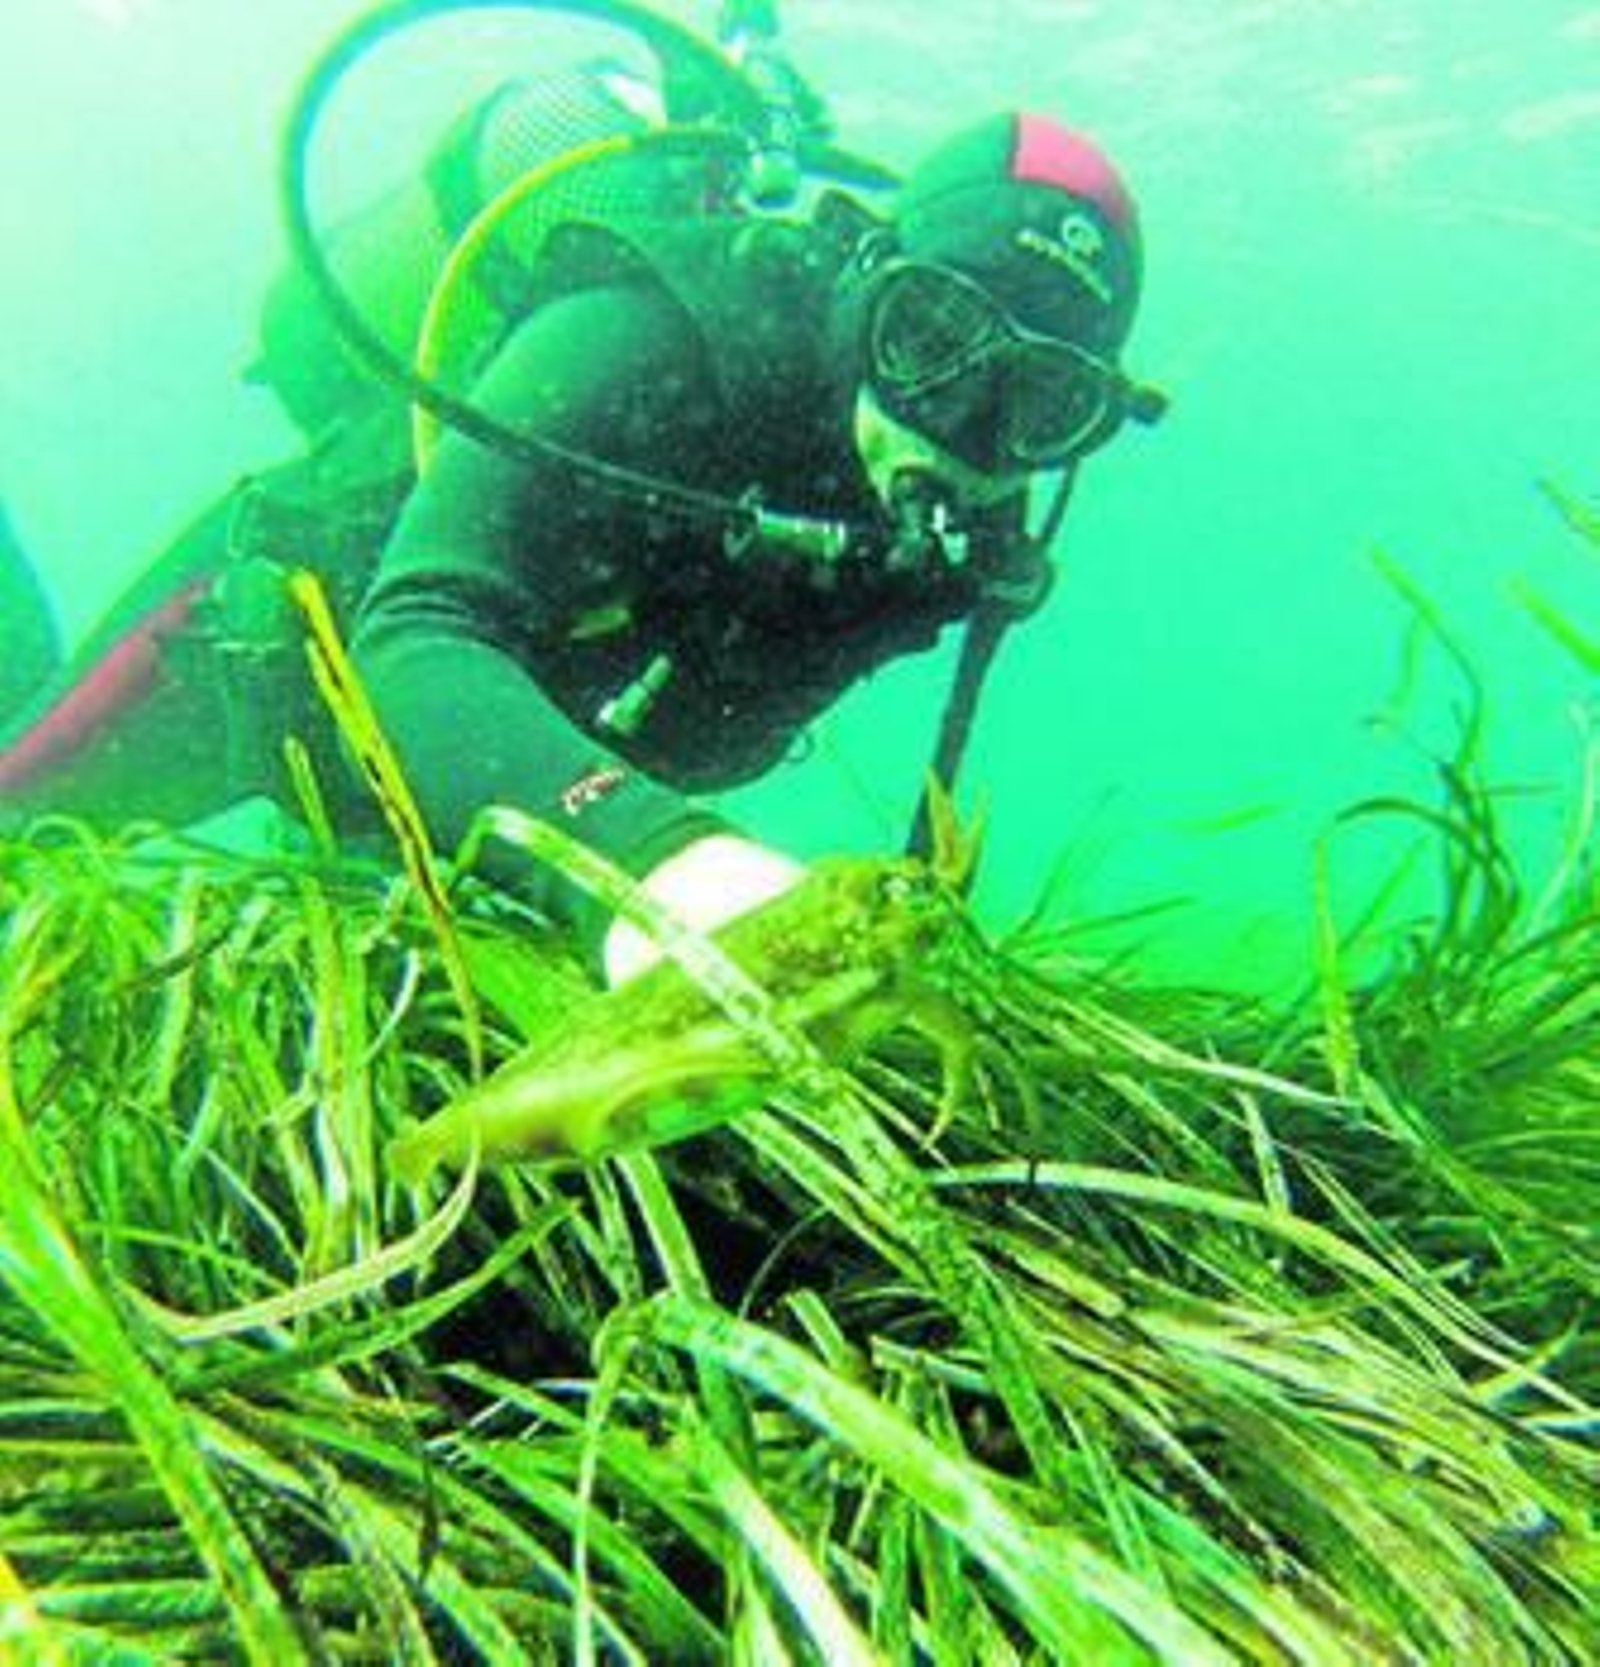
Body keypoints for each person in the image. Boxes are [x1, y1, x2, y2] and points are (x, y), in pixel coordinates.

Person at [0, 102, 1159, 982]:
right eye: (930, 334)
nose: (956, 425)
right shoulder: (660, 325)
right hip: (257, 664)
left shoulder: (954, 548)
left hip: (477, 833)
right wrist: (658, 864)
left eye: (1041, 403)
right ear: (867, 278)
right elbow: (417, 631)